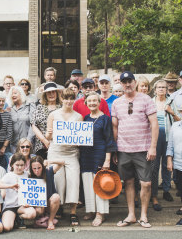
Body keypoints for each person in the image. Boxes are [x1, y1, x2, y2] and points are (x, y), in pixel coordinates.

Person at [112, 71, 159, 228]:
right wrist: (114, 149)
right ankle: (131, 215)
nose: (127, 84)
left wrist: (153, 147)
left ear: (134, 82)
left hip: (142, 149)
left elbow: (154, 124)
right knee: (129, 182)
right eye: (124, 82)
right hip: (124, 149)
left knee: (146, 183)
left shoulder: (146, 100)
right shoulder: (117, 103)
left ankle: (144, 216)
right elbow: (114, 127)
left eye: (129, 81)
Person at [46, 88, 83, 226]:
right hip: (56, 151)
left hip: (71, 152)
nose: (68, 101)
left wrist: (80, 140)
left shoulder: (78, 116)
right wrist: (49, 133)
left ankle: (73, 212)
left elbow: (80, 137)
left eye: (71, 98)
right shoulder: (53, 115)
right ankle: (59, 207)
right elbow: (48, 137)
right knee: (58, 181)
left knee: (73, 181)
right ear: (61, 99)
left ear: (74, 99)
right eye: (66, 98)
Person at [79, 92, 117, 226]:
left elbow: (109, 140)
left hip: (100, 153)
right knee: (87, 182)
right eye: (89, 101)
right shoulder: (84, 118)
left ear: (100, 102)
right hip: (85, 154)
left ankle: (101, 213)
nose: (92, 103)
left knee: (99, 183)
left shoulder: (105, 119)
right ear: (86, 103)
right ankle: (90, 210)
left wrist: (107, 160)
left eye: (95, 100)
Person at [150, 80, 179, 210]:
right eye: (159, 87)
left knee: (167, 165)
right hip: (154, 138)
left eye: (163, 87)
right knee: (154, 167)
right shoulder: (150, 102)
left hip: (169, 137)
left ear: (167, 89)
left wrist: (172, 112)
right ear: (155, 89)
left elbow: (181, 119)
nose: (161, 89)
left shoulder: (172, 102)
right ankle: (154, 194)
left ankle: (166, 190)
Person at [0, 153, 37, 232]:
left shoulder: (27, 175)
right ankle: (13, 219)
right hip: (10, 206)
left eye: (22, 165)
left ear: (25, 165)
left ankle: (19, 218)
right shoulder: (8, 175)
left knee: (32, 213)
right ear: (12, 165)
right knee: (7, 227)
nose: (19, 167)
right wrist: (10, 186)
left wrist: (30, 202)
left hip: (22, 205)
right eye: (17, 165)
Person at [28, 156, 62, 230]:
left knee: (56, 197)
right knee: (38, 210)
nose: (37, 171)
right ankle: (39, 219)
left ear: (43, 166)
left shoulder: (49, 171)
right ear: (31, 168)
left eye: (39, 168)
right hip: (38, 204)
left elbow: (62, 163)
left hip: (49, 202)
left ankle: (50, 220)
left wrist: (50, 161)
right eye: (34, 168)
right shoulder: (29, 176)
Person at [30, 82, 61, 159]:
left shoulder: (62, 108)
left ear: (57, 93)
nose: (51, 94)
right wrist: (44, 141)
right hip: (41, 145)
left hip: (58, 146)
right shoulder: (39, 107)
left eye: (53, 92)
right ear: (45, 95)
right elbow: (34, 126)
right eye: (48, 93)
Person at [8, 85, 34, 154]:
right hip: (14, 145)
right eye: (11, 94)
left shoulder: (30, 106)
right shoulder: (10, 108)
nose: (13, 95)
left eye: (15, 93)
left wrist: (28, 140)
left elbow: (33, 124)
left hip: (27, 144)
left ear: (21, 94)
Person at [0, 91, 13, 169]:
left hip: (4, 144)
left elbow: (10, 132)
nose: (1, 103)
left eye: (3, 101)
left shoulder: (7, 114)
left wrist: (4, 147)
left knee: (4, 166)